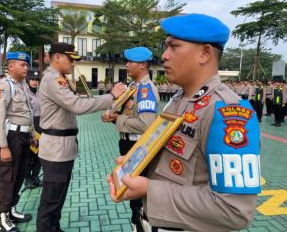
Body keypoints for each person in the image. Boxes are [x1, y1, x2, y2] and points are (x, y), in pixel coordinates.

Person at [108, 13, 261, 231]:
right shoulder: (179, 99)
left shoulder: (227, 112)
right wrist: (135, 163)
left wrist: (149, 190)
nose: (164, 56)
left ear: (204, 53)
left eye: (174, 47)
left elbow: (233, 210)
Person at [36, 42, 126, 232]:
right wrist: (111, 96)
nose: (73, 64)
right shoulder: (53, 80)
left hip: (62, 147)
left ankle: (54, 227)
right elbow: (77, 106)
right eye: (70, 59)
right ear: (57, 57)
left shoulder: (59, 78)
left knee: (57, 196)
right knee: (51, 199)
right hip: (56, 149)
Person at [102, 47, 159, 232]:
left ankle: (141, 225)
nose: (126, 65)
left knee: (137, 193)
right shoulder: (134, 87)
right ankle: (137, 223)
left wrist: (118, 119)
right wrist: (113, 118)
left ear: (142, 64)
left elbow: (146, 124)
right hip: (128, 143)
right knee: (131, 191)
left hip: (138, 147)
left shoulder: (145, 90)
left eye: (130, 61)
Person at [0, 52, 35, 232]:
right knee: (7, 177)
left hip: (24, 137)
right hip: (10, 138)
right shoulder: (5, 85)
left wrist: (32, 133)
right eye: (22, 65)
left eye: (26, 65)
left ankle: (11, 210)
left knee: (19, 175)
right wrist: (3, 146)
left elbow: (28, 113)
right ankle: (2, 217)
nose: (26, 68)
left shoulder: (23, 86)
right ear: (11, 67)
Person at [24, 69, 42, 189]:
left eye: (36, 80)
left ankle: (36, 177)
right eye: (32, 79)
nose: (35, 82)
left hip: (41, 124)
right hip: (30, 124)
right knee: (29, 154)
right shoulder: (24, 92)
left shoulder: (41, 92)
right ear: (28, 80)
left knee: (39, 154)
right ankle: (28, 179)